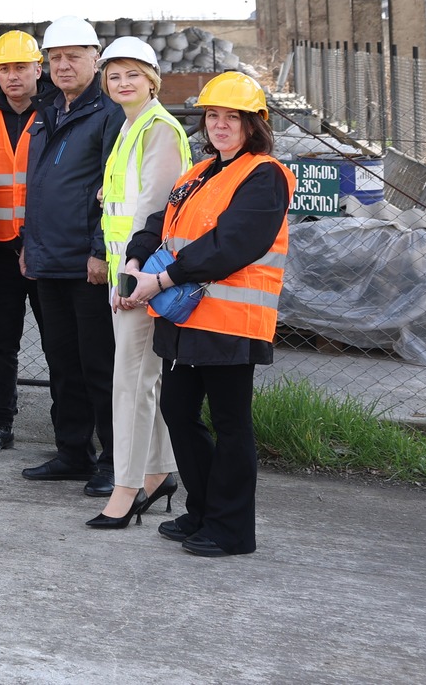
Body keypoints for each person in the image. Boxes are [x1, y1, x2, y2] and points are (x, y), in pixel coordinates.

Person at [116, 73, 290, 557]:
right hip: (186, 317)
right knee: (177, 410)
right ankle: (205, 510)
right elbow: (160, 223)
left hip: (231, 322)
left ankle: (231, 530)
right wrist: (135, 259)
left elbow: (230, 245)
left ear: (255, 124)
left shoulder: (264, 175)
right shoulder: (199, 173)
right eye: (213, 115)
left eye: (233, 117)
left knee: (231, 424)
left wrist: (162, 280)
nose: (220, 124)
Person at [20, 16, 128, 496]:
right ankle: (72, 452)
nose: (63, 65)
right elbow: (38, 185)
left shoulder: (108, 113)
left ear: (95, 58)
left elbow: (112, 188)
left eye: (73, 56)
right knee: (61, 362)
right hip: (47, 259)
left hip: (88, 265)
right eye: (55, 57)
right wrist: (29, 243)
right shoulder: (47, 111)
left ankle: (115, 460)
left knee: (99, 366)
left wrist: (100, 251)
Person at [88, 38, 190, 529]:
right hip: (127, 272)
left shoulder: (159, 129)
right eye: (114, 75)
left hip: (140, 276)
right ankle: (158, 473)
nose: (122, 82)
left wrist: (131, 278)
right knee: (143, 379)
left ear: (152, 80)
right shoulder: (131, 126)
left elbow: (154, 209)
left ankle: (126, 489)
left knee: (130, 383)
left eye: (132, 74)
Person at [0, 30, 51, 455]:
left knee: (59, 345)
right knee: (1, 344)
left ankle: (71, 430)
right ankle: (1, 424)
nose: (13, 76)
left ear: (38, 68)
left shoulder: (57, 110)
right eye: (4, 69)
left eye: (21, 67)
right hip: (0, 250)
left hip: (47, 250)